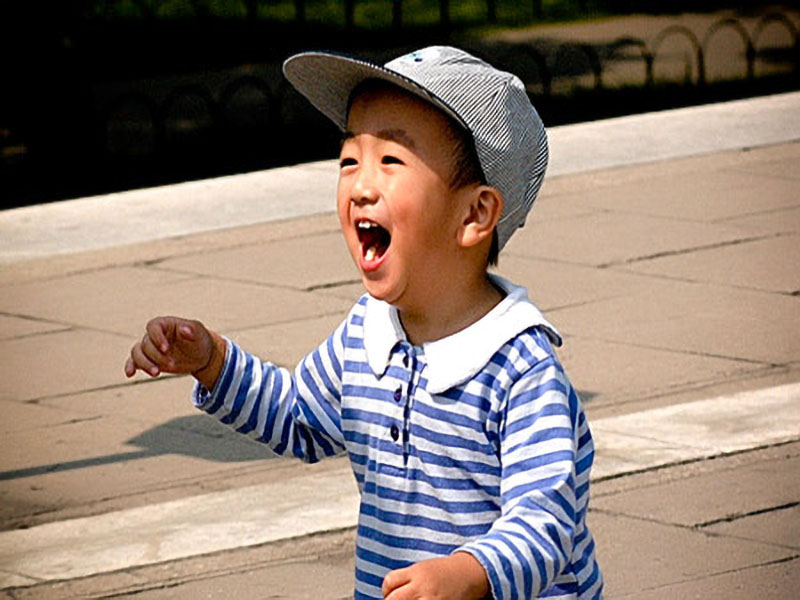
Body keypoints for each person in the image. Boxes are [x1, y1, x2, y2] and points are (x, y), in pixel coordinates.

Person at [125, 46, 603, 600]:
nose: (360, 186)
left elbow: (543, 523)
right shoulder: (368, 332)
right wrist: (212, 362)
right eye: (349, 159)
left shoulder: (520, 369)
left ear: (474, 214)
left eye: (390, 161)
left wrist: (467, 572)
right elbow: (299, 416)